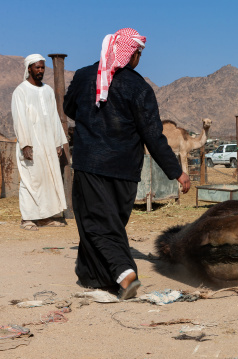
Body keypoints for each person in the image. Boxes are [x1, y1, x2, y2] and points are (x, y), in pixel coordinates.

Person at [63, 28, 190, 300]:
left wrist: (91, 117)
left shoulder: (85, 77)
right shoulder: (139, 87)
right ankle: (92, 277)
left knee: (97, 225)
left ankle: (124, 274)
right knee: (107, 224)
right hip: (125, 171)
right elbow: (152, 135)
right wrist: (176, 171)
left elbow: (69, 108)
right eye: (139, 54)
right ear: (130, 54)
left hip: (91, 165)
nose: (139, 59)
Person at [11, 54, 68, 231]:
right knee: (30, 180)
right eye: (37, 67)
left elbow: (54, 118)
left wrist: (58, 142)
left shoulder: (48, 91)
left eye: (43, 67)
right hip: (31, 145)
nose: (41, 71)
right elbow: (19, 119)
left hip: (48, 144)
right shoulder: (21, 91)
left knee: (47, 179)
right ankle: (27, 218)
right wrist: (25, 145)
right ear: (29, 68)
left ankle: (45, 217)